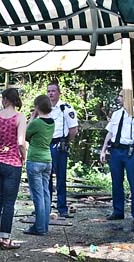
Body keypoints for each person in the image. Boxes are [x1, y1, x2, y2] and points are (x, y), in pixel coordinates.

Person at [100, 90, 134, 223]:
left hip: (129, 152)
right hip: (116, 151)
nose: (119, 98)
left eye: (121, 96)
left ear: (128, 98)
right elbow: (110, 133)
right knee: (116, 182)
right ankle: (118, 211)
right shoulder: (116, 114)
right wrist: (103, 150)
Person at [0, 87, 27, 249]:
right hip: (12, 164)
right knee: (9, 202)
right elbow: (20, 142)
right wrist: (23, 156)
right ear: (15, 100)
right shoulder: (20, 117)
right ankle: (5, 239)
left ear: (5, 99)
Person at [24, 95, 55, 235]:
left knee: (37, 195)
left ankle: (39, 227)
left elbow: (25, 135)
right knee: (46, 193)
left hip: (35, 159)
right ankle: (45, 225)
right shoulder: (52, 122)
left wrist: (32, 117)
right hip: (47, 160)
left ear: (37, 107)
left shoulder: (36, 123)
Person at [47, 82, 79, 218]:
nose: (50, 93)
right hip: (46, 145)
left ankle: (62, 207)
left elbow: (73, 129)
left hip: (60, 145)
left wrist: (66, 141)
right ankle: (45, 206)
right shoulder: (45, 108)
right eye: (48, 91)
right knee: (46, 177)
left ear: (59, 93)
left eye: (53, 91)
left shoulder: (65, 108)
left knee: (60, 178)